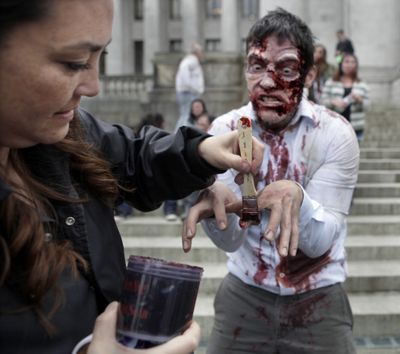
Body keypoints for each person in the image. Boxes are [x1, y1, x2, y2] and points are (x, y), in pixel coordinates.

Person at [0, 1, 264, 354]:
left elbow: (134, 158)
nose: (93, 85)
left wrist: (200, 154)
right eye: (74, 62)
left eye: (101, 58)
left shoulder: (56, 134)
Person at [182, 8, 359, 354]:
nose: (267, 81)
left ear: (308, 75)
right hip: (244, 293)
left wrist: (298, 198)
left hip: (319, 296)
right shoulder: (224, 132)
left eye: (286, 68)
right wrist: (216, 206)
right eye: (257, 66)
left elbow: (321, 240)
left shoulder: (335, 134)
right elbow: (232, 240)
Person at [166, 99, 209, 221]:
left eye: (199, 106)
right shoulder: (185, 121)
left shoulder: (208, 121)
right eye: (194, 106)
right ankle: (173, 210)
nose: (197, 109)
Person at [321, 53, 370, 140]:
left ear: (356, 65)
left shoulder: (362, 84)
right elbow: (322, 101)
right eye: (346, 62)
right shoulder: (331, 82)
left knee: (354, 153)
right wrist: (332, 102)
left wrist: (360, 99)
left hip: (356, 128)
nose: (350, 65)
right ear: (341, 64)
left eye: (353, 62)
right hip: (334, 126)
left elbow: (368, 105)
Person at [174, 43, 205, 130]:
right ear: (197, 52)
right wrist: (196, 89)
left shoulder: (191, 61)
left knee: (187, 115)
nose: (202, 54)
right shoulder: (190, 62)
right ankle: (179, 134)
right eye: (201, 52)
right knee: (186, 114)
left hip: (188, 92)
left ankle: (181, 134)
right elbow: (185, 77)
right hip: (188, 92)